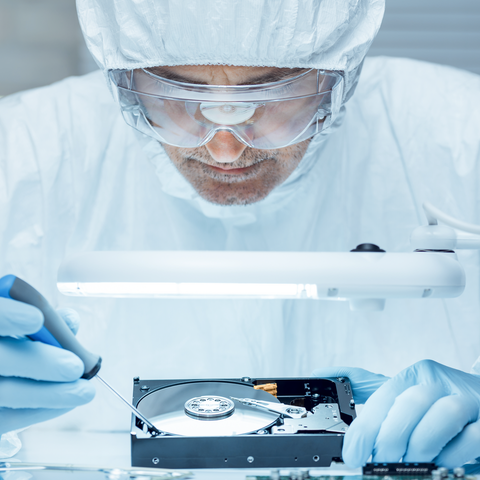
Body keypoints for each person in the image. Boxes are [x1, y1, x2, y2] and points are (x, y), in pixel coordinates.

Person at [1, 0, 480, 468]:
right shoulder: (25, 152)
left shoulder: (460, 137)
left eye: (273, 96)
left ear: (340, 74)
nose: (226, 150)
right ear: (125, 78)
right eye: (178, 97)